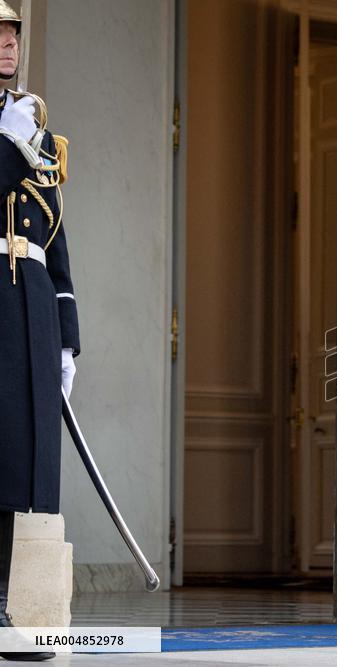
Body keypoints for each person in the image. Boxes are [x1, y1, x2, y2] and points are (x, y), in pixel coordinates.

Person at [0, 1, 79, 662]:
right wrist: (6, 143)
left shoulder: (36, 126)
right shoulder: (14, 130)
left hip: (28, 308)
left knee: (18, 459)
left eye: (13, 35)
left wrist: (67, 333)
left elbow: (56, 237)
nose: (7, 46)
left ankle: (3, 609)